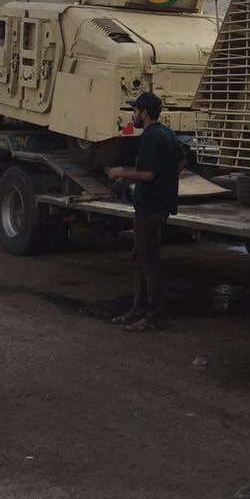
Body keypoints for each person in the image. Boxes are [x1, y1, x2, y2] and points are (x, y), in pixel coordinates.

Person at [106, 92, 182, 332]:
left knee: (148, 261)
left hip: (150, 206)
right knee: (140, 258)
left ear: (145, 113)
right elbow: (181, 163)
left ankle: (153, 317)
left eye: (135, 111)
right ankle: (137, 310)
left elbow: (147, 175)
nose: (133, 115)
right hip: (161, 204)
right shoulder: (167, 133)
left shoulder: (150, 137)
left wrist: (120, 173)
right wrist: (167, 181)